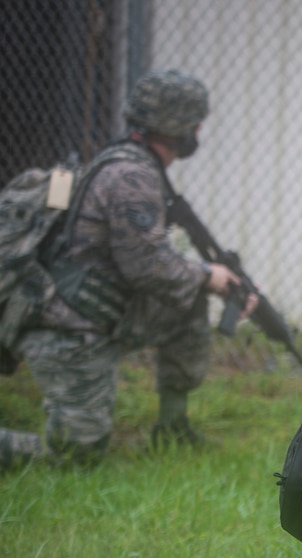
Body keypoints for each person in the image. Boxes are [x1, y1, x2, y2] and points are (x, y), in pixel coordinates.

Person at [0, 68, 253, 470]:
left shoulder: (126, 162)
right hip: (66, 330)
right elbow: (147, 266)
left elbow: (152, 266)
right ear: (181, 126)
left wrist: (204, 279)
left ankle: (172, 427)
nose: (198, 131)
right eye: (195, 122)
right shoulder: (132, 175)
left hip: (99, 315)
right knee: (75, 456)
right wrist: (209, 276)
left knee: (185, 301)